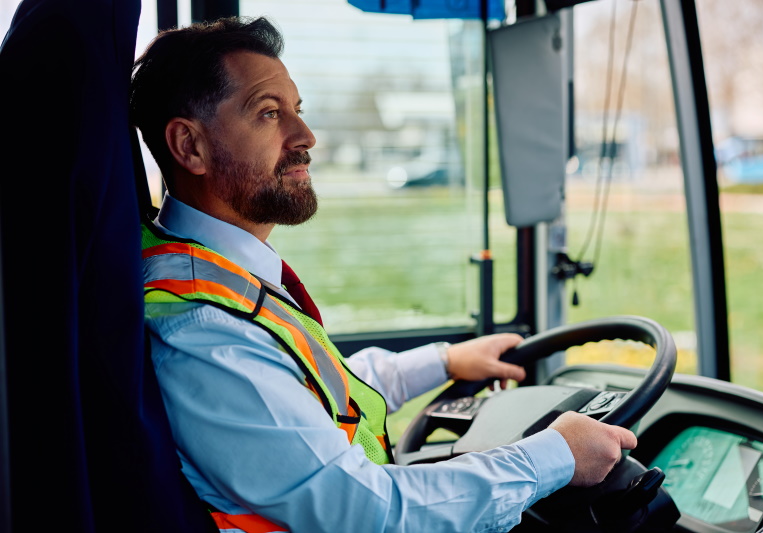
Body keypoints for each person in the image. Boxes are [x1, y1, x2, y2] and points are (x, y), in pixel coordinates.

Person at [130, 16, 637, 533]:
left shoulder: (220, 278)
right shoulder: (205, 326)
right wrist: (552, 457)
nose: (305, 136)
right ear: (189, 146)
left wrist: (444, 361)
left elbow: (311, 397)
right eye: (268, 113)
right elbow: (367, 510)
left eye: (297, 111)